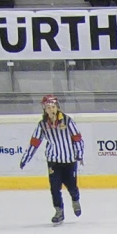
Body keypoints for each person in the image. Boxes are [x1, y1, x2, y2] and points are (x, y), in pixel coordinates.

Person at [19, 94, 84, 225]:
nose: (50, 110)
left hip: (69, 160)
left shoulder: (67, 121)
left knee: (72, 186)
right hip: (53, 161)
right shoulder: (42, 124)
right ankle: (59, 211)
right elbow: (35, 142)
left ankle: (75, 199)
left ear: (57, 107)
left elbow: (77, 138)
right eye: (48, 108)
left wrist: (79, 154)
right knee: (54, 188)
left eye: (52, 107)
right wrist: (26, 158)